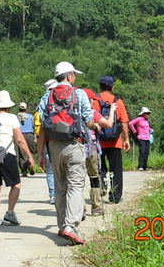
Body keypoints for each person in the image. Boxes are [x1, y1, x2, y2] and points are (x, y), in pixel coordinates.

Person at [37, 62, 94, 245]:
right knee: (76, 185)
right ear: (69, 76)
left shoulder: (47, 96)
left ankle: (62, 226)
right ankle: (71, 225)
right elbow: (89, 119)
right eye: (74, 74)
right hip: (74, 144)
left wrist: (40, 154)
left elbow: (42, 127)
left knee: (60, 187)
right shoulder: (79, 94)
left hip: (54, 146)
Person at [0, 90, 37, 227]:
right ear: (8, 106)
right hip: (7, 154)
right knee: (15, 184)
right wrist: (29, 156)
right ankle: (10, 212)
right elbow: (19, 140)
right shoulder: (11, 118)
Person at [80, 86, 118, 216]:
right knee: (94, 177)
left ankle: (80, 209)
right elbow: (108, 124)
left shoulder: (72, 112)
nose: (93, 102)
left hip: (76, 148)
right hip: (91, 149)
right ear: (87, 100)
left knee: (77, 180)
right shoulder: (91, 112)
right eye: (92, 100)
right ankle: (96, 207)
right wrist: (112, 110)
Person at [97, 75, 131, 204]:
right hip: (115, 141)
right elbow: (124, 122)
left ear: (100, 86)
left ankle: (102, 188)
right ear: (112, 87)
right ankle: (115, 196)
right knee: (115, 169)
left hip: (99, 141)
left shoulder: (95, 100)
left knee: (100, 167)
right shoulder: (117, 101)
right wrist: (126, 139)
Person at [34, 79, 57, 205]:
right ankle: (63, 194)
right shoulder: (65, 95)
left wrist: (40, 153)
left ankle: (53, 196)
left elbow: (42, 121)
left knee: (50, 171)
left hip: (48, 139)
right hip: (64, 139)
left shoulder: (44, 99)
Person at [17, 102, 36, 176]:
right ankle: (30, 165)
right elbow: (33, 126)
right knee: (30, 152)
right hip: (30, 135)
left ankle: (24, 171)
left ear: (19, 108)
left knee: (22, 154)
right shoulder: (30, 116)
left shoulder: (16, 117)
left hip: (20, 135)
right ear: (26, 109)